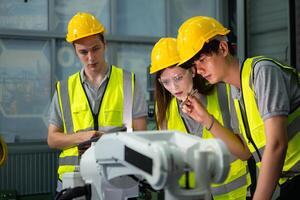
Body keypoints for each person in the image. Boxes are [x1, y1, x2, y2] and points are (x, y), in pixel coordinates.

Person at [176, 16, 300, 200]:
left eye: (202, 60)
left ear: (223, 48)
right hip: (288, 182)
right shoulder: (236, 90)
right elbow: (244, 151)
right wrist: (205, 119)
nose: (199, 70)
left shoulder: (262, 72)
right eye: (195, 66)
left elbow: (277, 144)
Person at [47, 12, 147, 195]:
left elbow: (141, 135)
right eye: (83, 52)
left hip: (120, 179)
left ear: (105, 44)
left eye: (95, 49)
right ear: (75, 51)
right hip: (74, 181)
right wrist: (85, 137)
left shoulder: (128, 82)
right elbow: (52, 139)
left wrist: (108, 141)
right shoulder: (64, 89)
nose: (91, 58)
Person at [150, 37, 251, 200]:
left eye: (178, 78)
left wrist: (207, 120)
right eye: (166, 82)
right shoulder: (164, 109)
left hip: (235, 193)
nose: (173, 88)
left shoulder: (224, 92)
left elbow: (245, 152)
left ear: (192, 70)